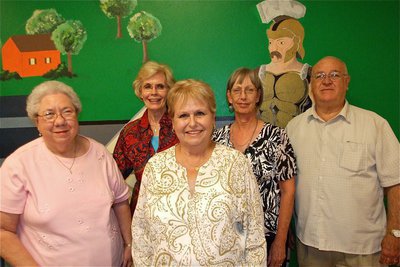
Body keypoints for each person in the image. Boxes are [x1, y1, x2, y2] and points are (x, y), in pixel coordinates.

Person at [131, 79, 267, 266]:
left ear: (212, 117)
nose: (192, 123)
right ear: (172, 122)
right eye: (183, 115)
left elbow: (254, 237)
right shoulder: (155, 167)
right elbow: (141, 235)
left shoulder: (236, 164)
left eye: (200, 113)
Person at [0, 81, 132, 266]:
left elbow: (120, 202)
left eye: (67, 111)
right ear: (36, 122)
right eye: (49, 114)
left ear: (77, 115)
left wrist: (128, 244)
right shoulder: (18, 165)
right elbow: (3, 231)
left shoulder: (100, 153)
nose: (60, 120)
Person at [286, 56, 400, 267]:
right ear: (311, 83)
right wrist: (287, 227)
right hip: (311, 246)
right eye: (319, 76)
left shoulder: (374, 125)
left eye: (335, 75)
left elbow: (395, 183)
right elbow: (287, 185)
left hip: (363, 249)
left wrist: (395, 234)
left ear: (347, 82)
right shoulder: (293, 128)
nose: (326, 81)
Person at [213, 68, 296, 267]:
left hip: (266, 237)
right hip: (226, 238)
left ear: (258, 95)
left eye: (249, 90)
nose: (243, 96)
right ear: (229, 97)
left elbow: (288, 192)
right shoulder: (217, 140)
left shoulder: (277, 137)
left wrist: (280, 242)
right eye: (237, 90)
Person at [113, 61, 179, 214]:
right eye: (148, 86)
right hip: (142, 216)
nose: (154, 92)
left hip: (179, 213)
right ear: (140, 92)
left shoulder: (182, 126)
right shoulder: (130, 132)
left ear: (169, 91)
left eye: (160, 86)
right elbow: (113, 178)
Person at [258, 17, 312, 128]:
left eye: (281, 42)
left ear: (296, 43)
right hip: (263, 141)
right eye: (270, 42)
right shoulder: (257, 74)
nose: (274, 48)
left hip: (298, 139)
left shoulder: (311, 74)